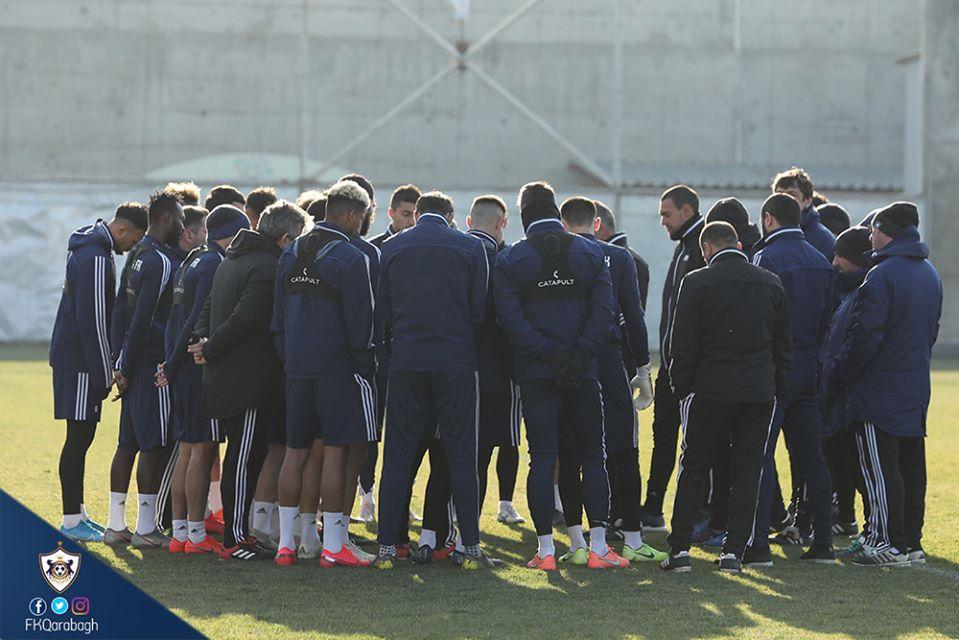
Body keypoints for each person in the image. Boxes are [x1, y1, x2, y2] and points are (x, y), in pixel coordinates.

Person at [495, 182, 621, 571]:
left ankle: (546, 551)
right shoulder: (591, 252)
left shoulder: (512, 258)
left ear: (523, 215)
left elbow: (510, 320)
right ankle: (598, 547)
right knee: (593, 455)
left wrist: (550, 354)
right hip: (583, 371)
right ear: (556, 211)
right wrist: (578, 356)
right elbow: (604, 313)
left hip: (537, 373)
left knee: (542, 457)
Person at [660, 221, 791, 574]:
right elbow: (783, 345)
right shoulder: (770, 282)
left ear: (707, 249)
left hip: (709, 389)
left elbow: (681, 343)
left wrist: (681, 388)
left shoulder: (697, 282)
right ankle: (734, 552)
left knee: (694, 468)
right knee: (747, 471)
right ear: (739, 245)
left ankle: (679, 549)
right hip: (757, 391)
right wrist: (777, 387)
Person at [374, 190, 490, 570]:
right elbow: (478, 309)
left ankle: (387, 548)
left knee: (397, 455)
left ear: (418, 213)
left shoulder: (392, 247)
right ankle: (469, 546)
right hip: (455, 361)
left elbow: (383, 310)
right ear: (451, 216)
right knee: (461, 454)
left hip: (407, 360)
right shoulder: (470, 247)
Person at [188, 200, 310, 560]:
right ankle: (235, 538)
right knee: (242, 459)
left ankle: (239, 532)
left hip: (229, 373)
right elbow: (246, 318)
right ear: (285, 238)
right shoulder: (267, 265)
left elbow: (208, 308)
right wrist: (209, 347)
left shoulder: (234, 258)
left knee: (248, 456)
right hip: (247, 378)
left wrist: (202, 341)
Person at [272, 181, 377, 568]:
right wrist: (364, 366)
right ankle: (334, 545)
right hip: (338, 369)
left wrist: (289, 360)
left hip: (297, 368)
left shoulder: (291, 252)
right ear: (352, 215)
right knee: (335, 452)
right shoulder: (352, 257)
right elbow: (362, 324)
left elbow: (277, 320)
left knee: (295, 452)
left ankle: (286, 545)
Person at [833, 203, 942, 567]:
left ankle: (886, 543)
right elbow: (930, 333)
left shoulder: (881, 274)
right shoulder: (929, 273)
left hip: (878, 388)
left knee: (881, 468)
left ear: (888, 232)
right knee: (911, 466)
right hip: (914, 384)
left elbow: (866, 335)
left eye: (875, 230)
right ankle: (910, 543)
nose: (870, 236)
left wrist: (843, 371)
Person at [557, 196, 661, 565]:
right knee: (624, 451)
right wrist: (643, 369)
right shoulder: (618, 257)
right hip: (609, 363)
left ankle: (577, 542)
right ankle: (632, 538)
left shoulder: (556, 256)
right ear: (597, 223)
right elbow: (633, 316)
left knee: (571, 452)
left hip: (569, 366)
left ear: (563, 223)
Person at [50, 202, 148, 541]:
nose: (132, 247)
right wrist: (104, 373)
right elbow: (92, 321)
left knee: (82, 438)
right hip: (79, 361)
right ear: (121, 229)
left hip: (80, 359)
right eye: (134, 239)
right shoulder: (94, 257)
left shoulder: (94, 249)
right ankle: (71, 521)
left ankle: (78, 514)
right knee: (78, 439)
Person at [747, 193, 836, 565]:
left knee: (760, 455)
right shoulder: (820, 260)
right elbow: (829, 319)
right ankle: (824, 542)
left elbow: (758, 321)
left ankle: (758, 545)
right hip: (808, 369)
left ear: (768, 219)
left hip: (773, 371)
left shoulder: (765, 259)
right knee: (812, 457)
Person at [158, 205, 250, 556]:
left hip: (182, 367)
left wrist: (170, 361)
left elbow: (175, 319)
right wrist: (178, 360)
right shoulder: (215, 264)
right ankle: (195, 535)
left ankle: (181, 532)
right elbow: (197, 319)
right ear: (235, 233)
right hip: (198, 369)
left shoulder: (193, 259)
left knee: (187, 449)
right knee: (203, 449)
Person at [104, 189, 184, 549]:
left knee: (127, 444)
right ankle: (146, 529)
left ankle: (115, 526)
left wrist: (120, 362)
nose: (182, 223)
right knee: (153, 446)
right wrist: (131, 362)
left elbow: (121, 309)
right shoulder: (161, 260)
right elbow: (144, 318)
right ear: (167, 217)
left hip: (132, 363)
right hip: (153, 365)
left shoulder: (137, 254)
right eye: (180, 217)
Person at [644, 185, 705, 530]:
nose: (663, 222)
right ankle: (653, 509)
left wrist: (683, 363)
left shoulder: (699, 247)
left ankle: (698, 515)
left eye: (667, 214)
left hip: (689, 370)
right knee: (664, 437)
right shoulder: (684, 246)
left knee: (693, 444)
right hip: (671, 366)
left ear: (687, 211)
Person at [465, 195, 526, 526]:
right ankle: (469, 515)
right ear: (503, 223)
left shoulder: (507, 257)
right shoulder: (503, 260)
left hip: (481, 365)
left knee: (505, 440)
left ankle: (503, 503)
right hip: (493, 365)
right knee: (487, 443)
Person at [363, 184, 422, 523]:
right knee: (371, 430)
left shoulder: (421, 249)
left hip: (407, 352)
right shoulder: (375, 249)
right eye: (405, 214)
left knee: (405, 433)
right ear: (391, 213)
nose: (411, 220)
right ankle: (366, 494)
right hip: (377, 353)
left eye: (415, 214)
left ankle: (400, 498)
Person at [819, 226, 873, 548]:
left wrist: (837, 372)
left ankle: (875, 531)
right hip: (839, 394)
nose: (835, 262)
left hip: (849, 396)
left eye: (841, 256)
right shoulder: (849, 290)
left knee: (859, 469)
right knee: (843, 464)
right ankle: (860, 525)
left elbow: (859, 344)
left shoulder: (864, 291)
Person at [771, 167, 836, 260]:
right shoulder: (770, 232)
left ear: (808, 201)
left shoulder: (824, 240)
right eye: (779, 195)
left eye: (792, 195)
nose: (784, 200)